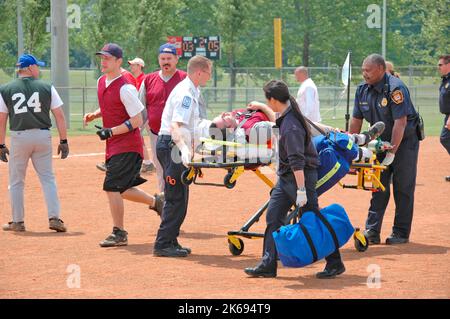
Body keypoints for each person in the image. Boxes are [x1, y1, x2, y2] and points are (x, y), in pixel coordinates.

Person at [244, 80, 346, 279]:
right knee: (273, 217)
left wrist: (301, 191)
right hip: (286, 179)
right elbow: (274, 116)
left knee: (313, 220)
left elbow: (297, 161)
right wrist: (261, 106)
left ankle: (335, 262)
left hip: (299, 178)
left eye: (267, 101)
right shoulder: (287, 112)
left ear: (274, 99)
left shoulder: (291, 126)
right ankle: (268, 264)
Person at [83, 43, 163, 247]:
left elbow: (138, 118)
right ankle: (157, 203)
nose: (103, 61)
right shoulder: (102, 81)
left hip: (127, 144)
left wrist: (111, 131)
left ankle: (119, 233)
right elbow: (111, 105)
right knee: (123, 188)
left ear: (119, 62)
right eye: (102, 57)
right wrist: (96, 114)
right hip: (114, 145)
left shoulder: (126, 87)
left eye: (108, 58)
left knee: (111, 187)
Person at [349, 53, 421, 245]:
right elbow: (356, 120)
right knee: (377, 185)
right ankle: (372, 230)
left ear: (381, 69)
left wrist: (392, 152)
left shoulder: (395, 89)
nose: (364, 74)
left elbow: (401, 123)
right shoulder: (362, 90)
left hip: (404, 143)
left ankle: (400, 232)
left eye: (368, 70)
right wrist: (350, 149)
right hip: (379, 142)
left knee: (402, 186)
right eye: (362, 70)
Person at [0, 54, 69, 232]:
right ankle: (54, 218)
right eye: (37, 66)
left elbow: (2, 119)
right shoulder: (47, 87)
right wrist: (63, 140)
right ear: (29, 68)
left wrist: (0, 144)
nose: (38, 69)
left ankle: (18, 221)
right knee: (48, 179)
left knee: (16, 182)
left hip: (19, 137)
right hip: (42, 137)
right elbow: (59, 115)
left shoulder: (6, 89)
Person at [153, 55, 212, 257]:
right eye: (208, 72)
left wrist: (192, 153)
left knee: (181, 197)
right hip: (172, 145)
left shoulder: (193, 90)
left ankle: (171, 240)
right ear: (199, 72)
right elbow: (175, 126)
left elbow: (192, 129)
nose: (209, 76)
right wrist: (184, 151)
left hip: (177, 146)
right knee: (175, 198)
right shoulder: (186, 93)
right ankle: (162, 244)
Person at [139, 43, 187, 193]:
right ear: (158, 60)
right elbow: (141, 108)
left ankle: (177, 200)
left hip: (180, 135)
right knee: (160, 170)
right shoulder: (148, 80)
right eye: (163, 58)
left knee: (180, 170)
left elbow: (197, 105)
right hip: (156, 135)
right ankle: (164, 201)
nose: (166, 61)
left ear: (176, 59)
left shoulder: (185, 79)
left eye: (169, 58)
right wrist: (137, 130)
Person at [96, 58, 155, 174]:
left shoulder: (141, 79)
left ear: (140, 66)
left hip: (142, 112)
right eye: (131, 65)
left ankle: (145, 163)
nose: (131, 66)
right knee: (140, 136)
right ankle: (147, 163)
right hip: (136, 111)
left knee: (139, 136)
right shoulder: (133, 77)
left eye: (133, 65)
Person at [438, 55, 450, 181]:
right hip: (447, 115)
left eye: (440, 65)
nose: (438, 67)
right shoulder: (446, 79)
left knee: (445, 138)